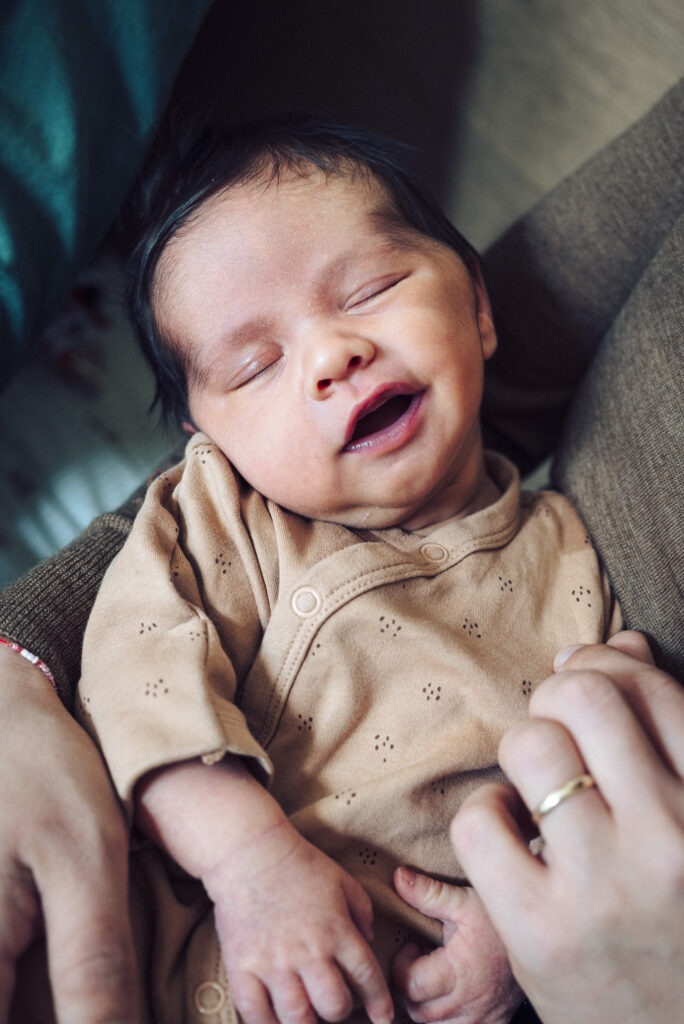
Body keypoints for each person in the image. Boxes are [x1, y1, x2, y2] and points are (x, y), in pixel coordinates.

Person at [0, 79, 681, 1023]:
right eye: (258, 366)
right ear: (212, 439)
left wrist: (506, 935)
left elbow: (596, 796)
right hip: (129, 948)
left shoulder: (576, 562)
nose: (331, 356)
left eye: (372, 290)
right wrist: (246, 863)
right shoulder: (222, 517)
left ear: (481, 310)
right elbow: (138, 685)